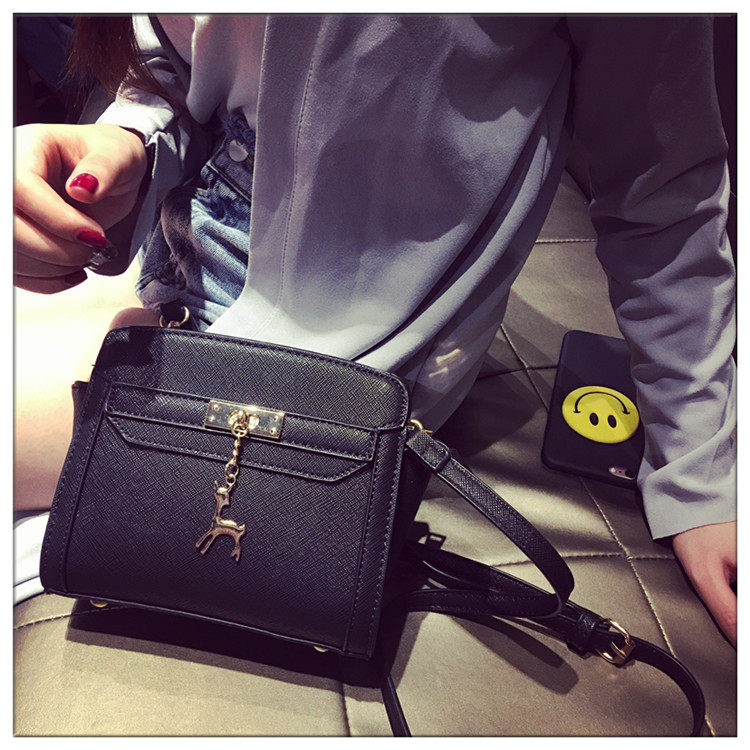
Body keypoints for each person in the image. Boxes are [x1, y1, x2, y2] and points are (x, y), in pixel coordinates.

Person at [13, 15, 736, 645]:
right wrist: (123, 144)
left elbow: (662, 192)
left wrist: (701, 474)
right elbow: (175, 69)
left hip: (330, 355)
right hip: (175, 248)